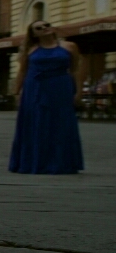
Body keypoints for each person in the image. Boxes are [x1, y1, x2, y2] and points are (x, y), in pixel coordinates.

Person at [9, 20, 84, 174]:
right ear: (34, 34)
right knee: (36, 122)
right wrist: (17, 92)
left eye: (47, 25)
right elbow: (22, 71)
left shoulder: (69, 46)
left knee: (61, 123)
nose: (44, 28)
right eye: (39, 28)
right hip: (35, 88)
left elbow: (75, 70)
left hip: (61, 87)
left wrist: (79, 92)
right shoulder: (31, 49)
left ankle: (61, 163)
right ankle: (34, 162)